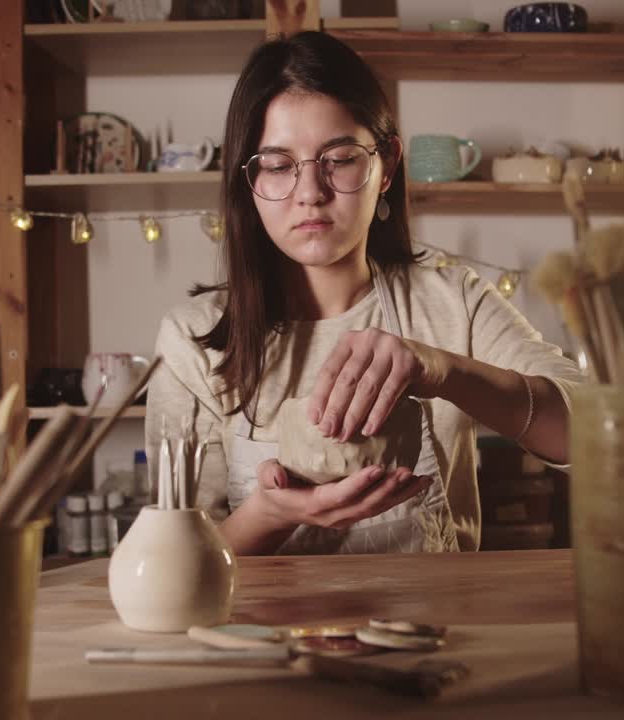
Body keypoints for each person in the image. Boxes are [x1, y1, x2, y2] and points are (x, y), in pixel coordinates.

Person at [146, 31, 582, 556]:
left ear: (387, 165)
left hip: (435, 631)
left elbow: (593, 438)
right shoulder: (194, 339)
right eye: (279, 165)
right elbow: (174, 559)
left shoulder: (453, 304)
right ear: (248, 182)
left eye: (340, 158)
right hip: (259, 637)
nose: (310, 192)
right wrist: (268, 514)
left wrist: (444, 372)